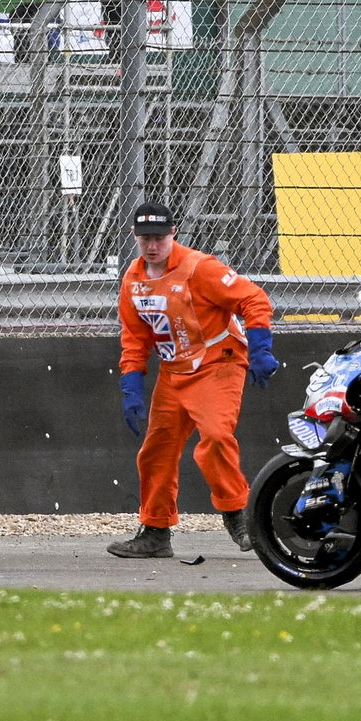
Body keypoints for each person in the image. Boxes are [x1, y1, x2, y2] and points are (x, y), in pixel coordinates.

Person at [108, 202, 278, 559]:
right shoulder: (133, 281)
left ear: (173, 235)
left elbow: (253, 299)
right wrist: (131, 387)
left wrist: (261, 348)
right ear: (135, 239)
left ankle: (238, 514)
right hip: (174, 372)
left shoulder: (200, 268)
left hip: (218, 364)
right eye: (145, 239)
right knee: (156, 451)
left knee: (216, 437)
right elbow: (134, 339)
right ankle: (155, 531)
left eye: (158, 237)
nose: (152, 245)